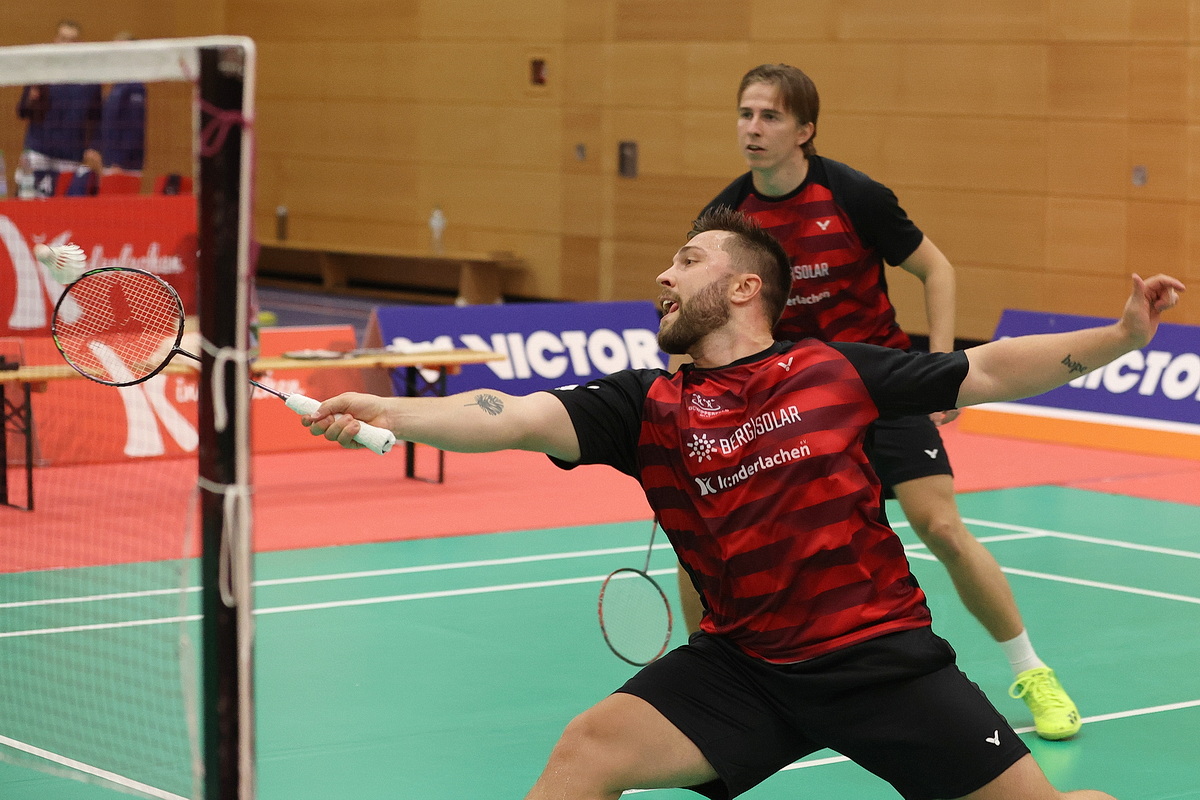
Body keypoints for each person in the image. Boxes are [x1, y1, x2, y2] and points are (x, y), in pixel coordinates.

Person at [303, 209, 1183, 800]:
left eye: (687, 261)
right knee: (588, 750)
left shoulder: (833, 369)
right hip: (745, 670)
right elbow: (513, 414)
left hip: (879, 659)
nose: (663, 275)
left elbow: (984, 369)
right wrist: (392, 411)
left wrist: (1121, 337)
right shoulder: (644, 404)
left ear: (743, 288)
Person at [693, 62, 1081, 740]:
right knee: (715, 535)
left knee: (943, 528)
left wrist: (937, 370)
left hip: (880, 383)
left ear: (804, 130)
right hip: (794, 401)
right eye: (745, 114)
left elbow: (936, 268)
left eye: (770, 116)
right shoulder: (728, 221)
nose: (752, 128)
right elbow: (704, 315)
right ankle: (707, 678)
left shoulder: (853, 195)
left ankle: (1032, 670)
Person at [14, 20, 102, 198]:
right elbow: (22, 111)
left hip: (70, 157)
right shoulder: (40, 72)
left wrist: (93, 147)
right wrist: (30, 99)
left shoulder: (90, 79)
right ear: (56, 40)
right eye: (63, 38)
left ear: (80, 44)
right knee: (26, 203)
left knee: (63, 210)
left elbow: (97, 117)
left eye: (73, 40)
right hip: (37, 152)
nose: (67, 44)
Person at [81, 32, 147, 179]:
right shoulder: (115, 87)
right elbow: (106, 123)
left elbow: (134, 127)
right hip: (109, 162)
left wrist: (120, 162)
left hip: (125, 167)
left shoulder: (135, 86)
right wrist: (94, 147)